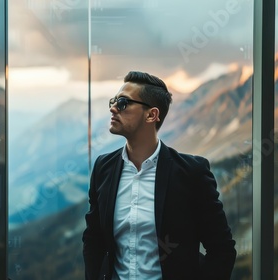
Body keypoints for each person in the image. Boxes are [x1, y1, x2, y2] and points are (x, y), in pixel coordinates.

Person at [82, 71, 236, 280]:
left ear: (151, 115)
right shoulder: (103, 168)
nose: (113, 108)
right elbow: (93, 240)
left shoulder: (192, 173)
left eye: (123, 102)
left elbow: (221, 249)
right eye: (113, 101)